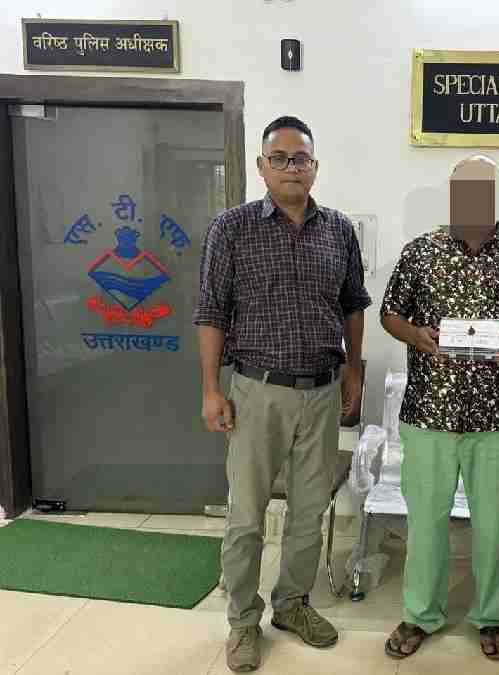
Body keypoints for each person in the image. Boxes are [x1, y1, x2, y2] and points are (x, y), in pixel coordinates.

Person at [193, 116, 371, 672]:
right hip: (257, 392)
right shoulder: (232, 228)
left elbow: (353, 305)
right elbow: (211, 311)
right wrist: (211, 390)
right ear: (261, 166)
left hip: (322, 392)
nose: (292, 167)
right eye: (280, 158)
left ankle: (292, 604)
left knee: (308, 511)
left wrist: (353, 370)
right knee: (247, 515)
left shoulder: (338, 230)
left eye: (302, 158)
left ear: (315, 167)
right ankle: (243, 620)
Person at [380, 155, 499, 661]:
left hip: (498, 417)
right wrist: (415, 334)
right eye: (464, 188)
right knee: (426, 523)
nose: (473, 197)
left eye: (484, 188)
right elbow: (390, 314)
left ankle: (490, 615)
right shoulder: (420, 253)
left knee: (494, 525)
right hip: (429, 414)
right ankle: (421, 614)